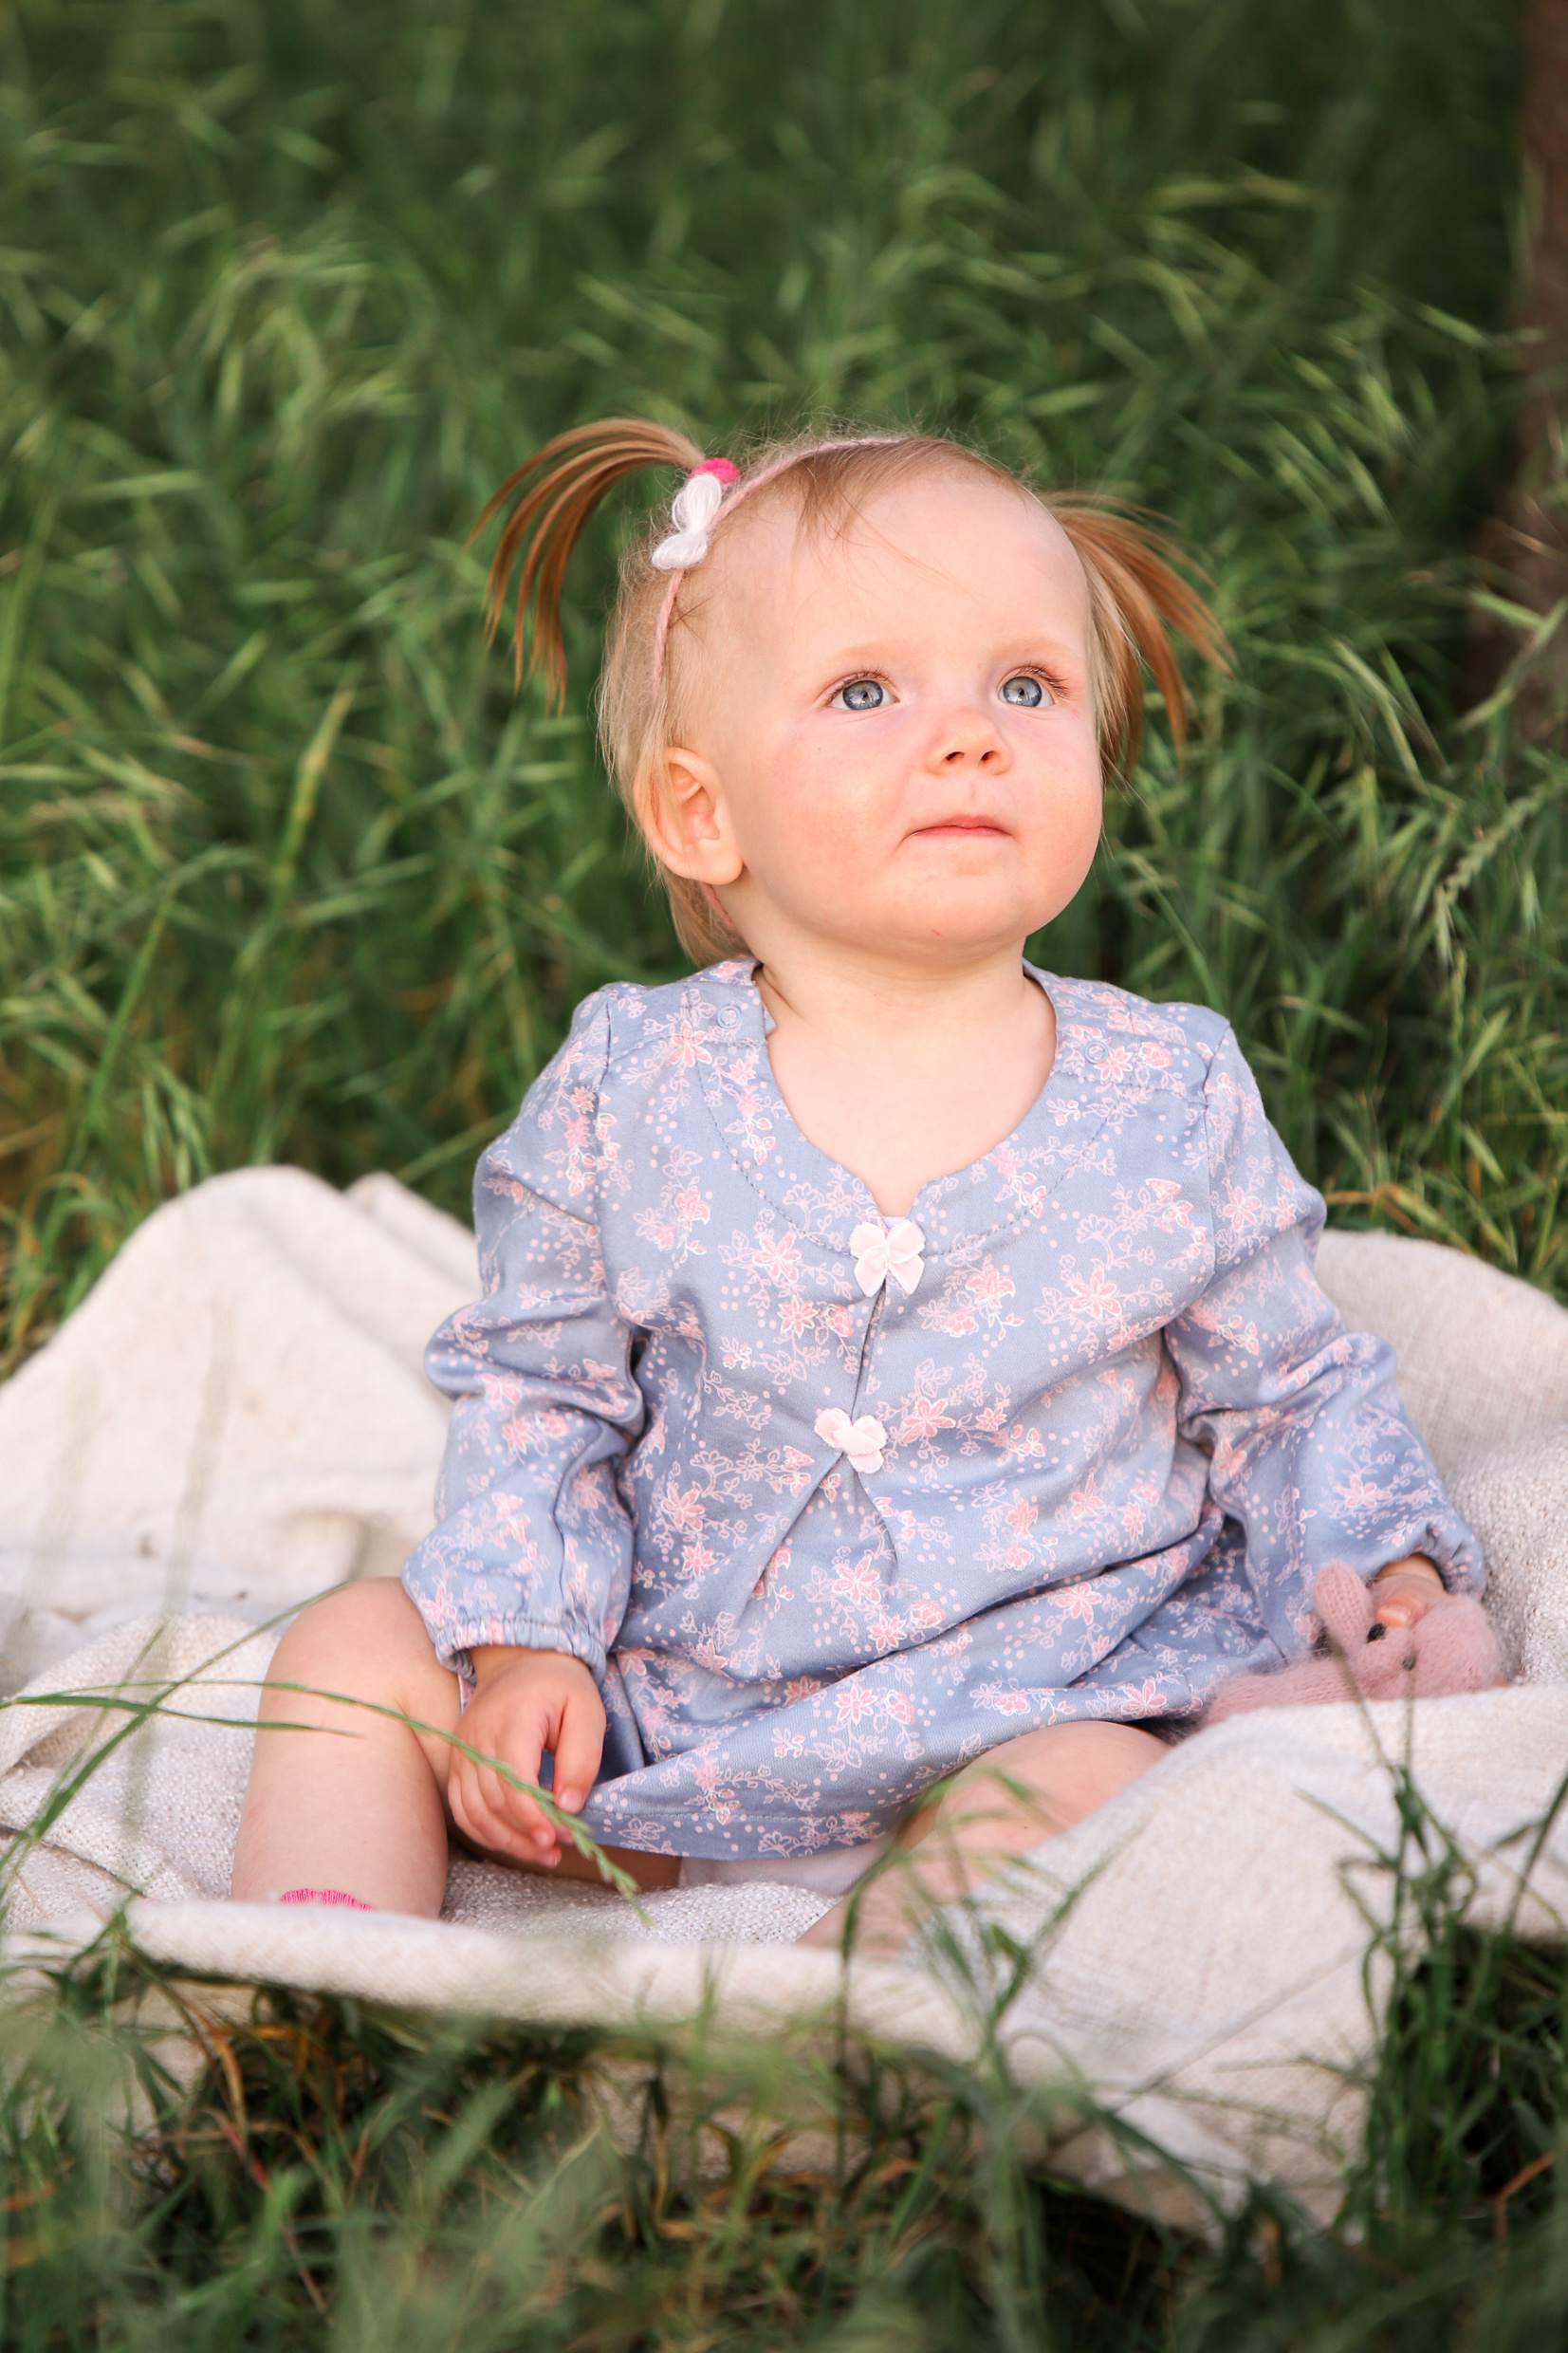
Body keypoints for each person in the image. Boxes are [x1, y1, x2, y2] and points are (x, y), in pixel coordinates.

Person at [230, 419, 1484, 1951]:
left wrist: (1391, 1571)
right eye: (865, 691)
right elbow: (539, 1392)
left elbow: (1285, 1396)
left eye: (1025, 685)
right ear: (701, 812)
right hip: (668, 1721)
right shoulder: (631, 1091)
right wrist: (525, 1654)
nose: (967, 735)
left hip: (1031, 1703)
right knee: (353, 1644)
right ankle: (303, 1983)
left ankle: (830, 2037)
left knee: (1096, 1785)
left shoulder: (1167, 1097)